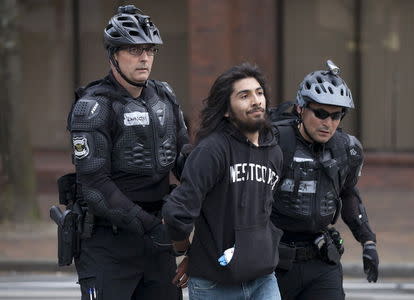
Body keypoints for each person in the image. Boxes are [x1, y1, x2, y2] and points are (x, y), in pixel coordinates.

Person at [67, 5, 189, 300]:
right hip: (108, 244)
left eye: (149, 50)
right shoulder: (93, 107)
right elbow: (95, 186)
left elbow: (185, 160)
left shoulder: (165, 97)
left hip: (157, 243)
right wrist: (151, 226)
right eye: (134, 50)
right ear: (113, 55)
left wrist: (189, 209)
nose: (144, 58)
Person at [162, 63, 284, 300]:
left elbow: (262, 214)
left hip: (264, 280)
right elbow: (176, 214)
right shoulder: (212, 150)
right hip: (215, 284)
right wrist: (186, 252)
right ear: (226, 110)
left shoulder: (274, 152)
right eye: (244, 96)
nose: (256, 100)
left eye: (259, 93)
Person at [271, 60, 379, 300]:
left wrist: (368, 241)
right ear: (300, 108)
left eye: (336, 116)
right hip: (273, 262)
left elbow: (348, 193)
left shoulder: (347, 150)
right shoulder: (275, 143)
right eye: (320, 113)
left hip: (321, 260)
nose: (327, 123)